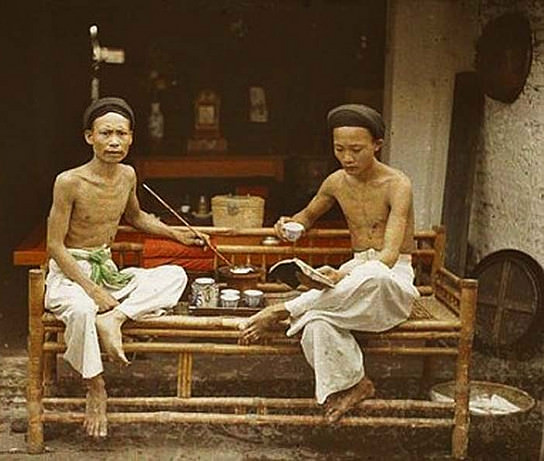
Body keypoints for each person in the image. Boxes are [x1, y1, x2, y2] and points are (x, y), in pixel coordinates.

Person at [241, 103, 420, 423]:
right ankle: (355, 385)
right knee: (316, 323)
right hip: (352, 282)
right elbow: (307, 217)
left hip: (389, 281)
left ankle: (284, 309)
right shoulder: (337, 181)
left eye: (356, 150)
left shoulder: (398, 184)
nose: (347, 158)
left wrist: (342, 274)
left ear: (377, 145)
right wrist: (288, 226)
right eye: (339, 149)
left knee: (374, 275)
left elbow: (389, 256)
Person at [45, 96, 205, 438]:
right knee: (80, 311)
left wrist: (179, 235)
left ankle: (115, 318)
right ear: (90, 137)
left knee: (174, 275)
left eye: (121, 133)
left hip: (107, 270)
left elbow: (135, 217)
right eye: (106, 133)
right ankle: (96, 388)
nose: (114, 141)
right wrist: (92, 290)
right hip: (72, 274)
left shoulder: (128, 175)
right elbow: (54, 246)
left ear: (132, 137)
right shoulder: (69, 182)